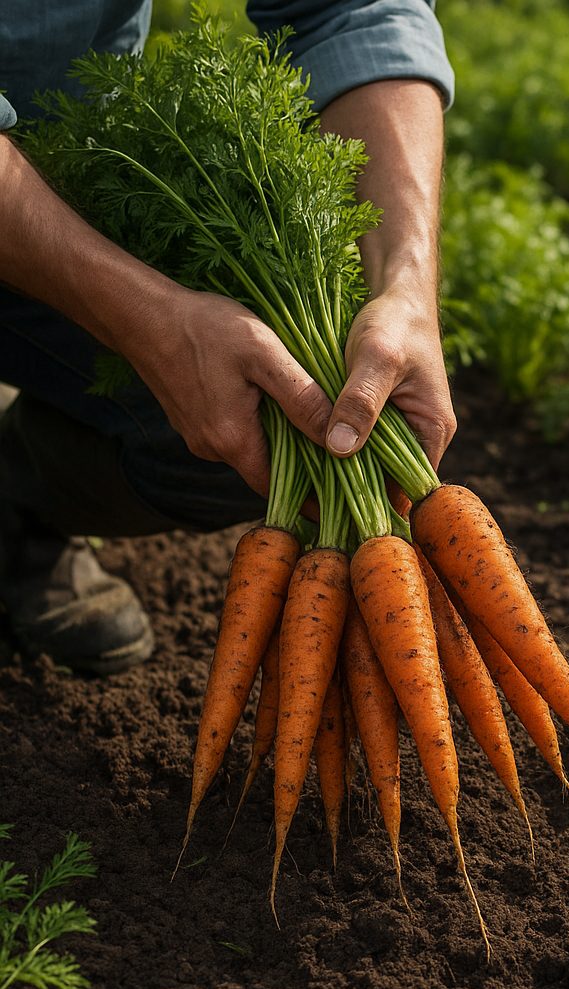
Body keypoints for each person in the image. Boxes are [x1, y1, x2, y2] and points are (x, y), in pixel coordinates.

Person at [0, 1, 457, 674]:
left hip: (71, 185)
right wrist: (150, 321)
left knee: (258, 416)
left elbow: (354, 10)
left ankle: (13, 508)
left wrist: (406, 283)